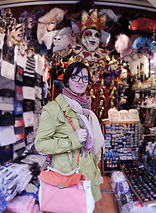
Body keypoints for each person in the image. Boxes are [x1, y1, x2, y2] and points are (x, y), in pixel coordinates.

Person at [35, 61, 105, 202]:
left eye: (85, 78)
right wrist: (72, 140)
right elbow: (40, 145)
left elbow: (91, 149)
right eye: (76, 77)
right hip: (68, 178)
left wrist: (96, 173)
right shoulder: (53, 108)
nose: (81, 81)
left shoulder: (86, 110)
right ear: (66, 80)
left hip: (88, 176)